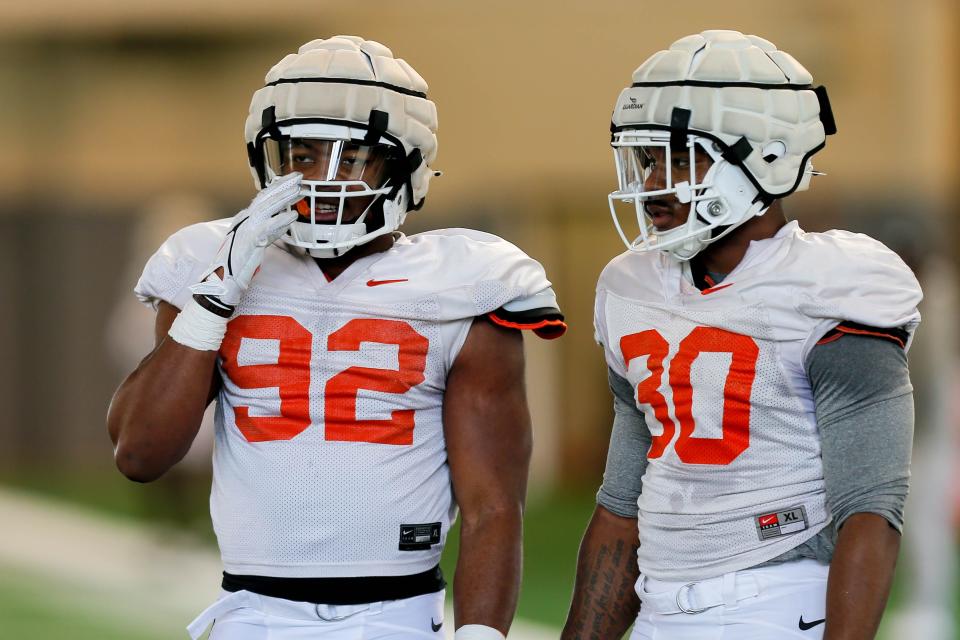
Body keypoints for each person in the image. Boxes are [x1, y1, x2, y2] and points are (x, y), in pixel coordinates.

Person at [107, 35, 565, 640]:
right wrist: (216, 293)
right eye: (300, 154)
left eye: (350, 158)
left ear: (406, 165)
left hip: (397, 617)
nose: (320, 180)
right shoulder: (211, 262)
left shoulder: (466, 283)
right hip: (251, 615)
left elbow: (493, 507)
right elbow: (140, 455)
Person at [562, 30, 921, 640]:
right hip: (658, 602)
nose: (653, 181)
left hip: (775, 604)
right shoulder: (630, 288)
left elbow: (870, 510)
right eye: (648, 158)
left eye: (680, 156)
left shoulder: (832, 285)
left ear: (767, 155)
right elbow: (622, 507)